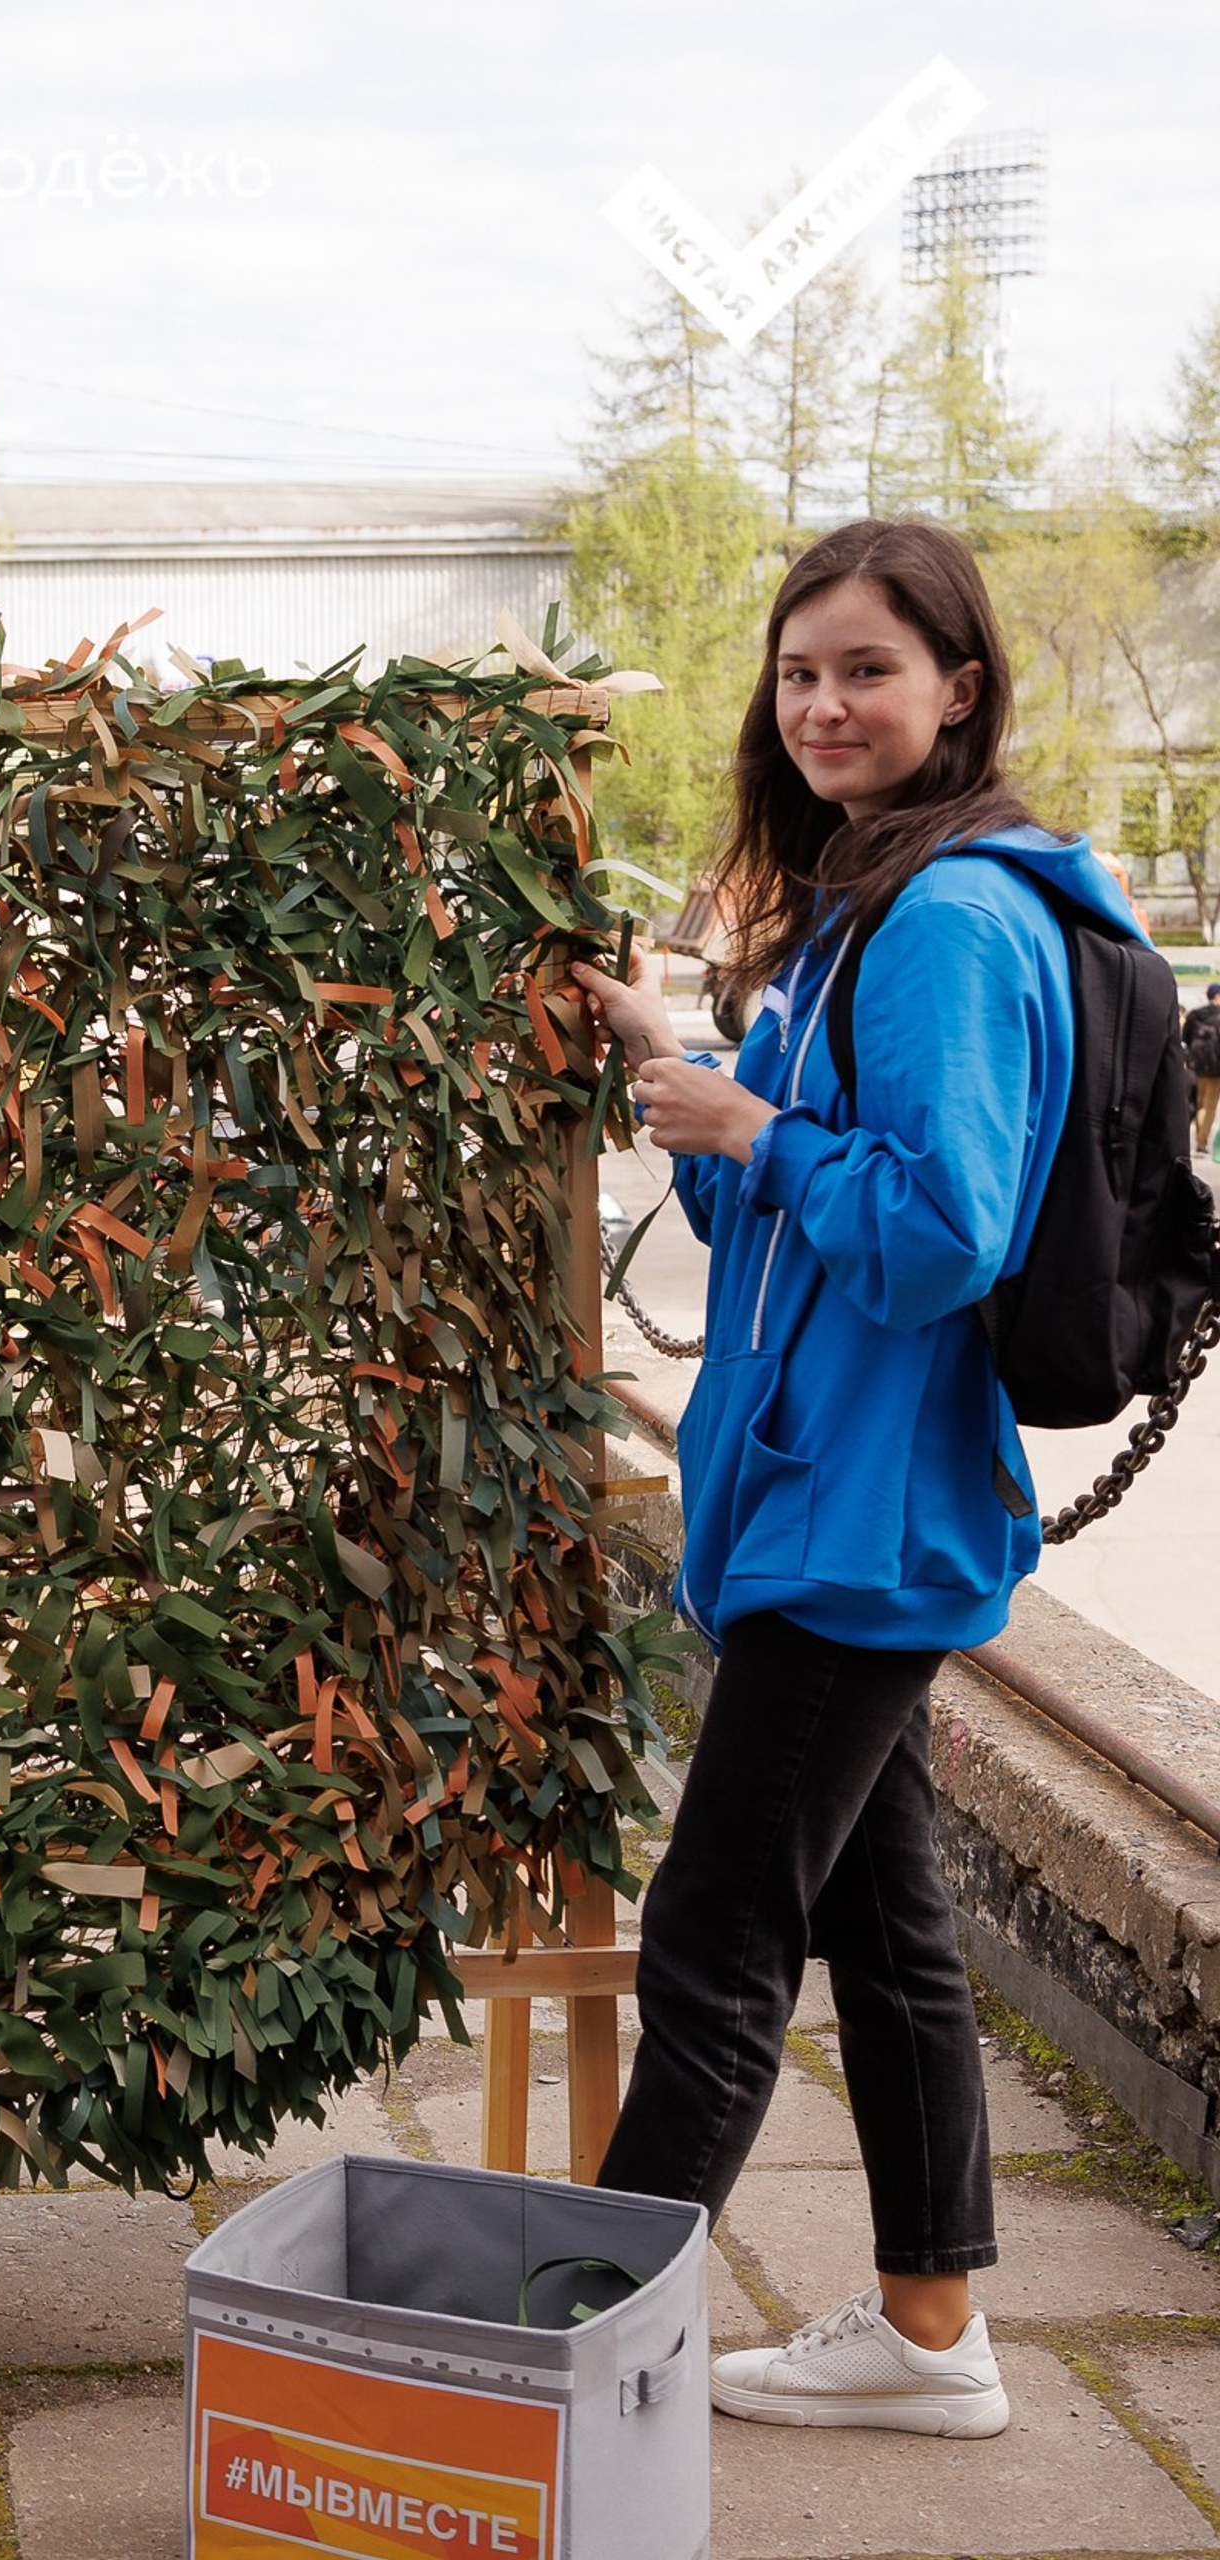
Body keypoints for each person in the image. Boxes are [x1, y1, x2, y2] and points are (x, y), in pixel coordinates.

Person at [571, 517, 1130, 2441]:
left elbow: (939, 1236)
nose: (823, 705)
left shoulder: (956, 918)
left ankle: (571, 2378)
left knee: (716, 1944)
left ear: (958, 688)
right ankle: (928, 2334)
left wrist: (755, 1123)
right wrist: (691, 1067)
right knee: (890, 1941)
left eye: (869, 670)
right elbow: (792, 1218)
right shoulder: (866, 903)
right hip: (838, 1494)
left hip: (859, 1521)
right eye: (800, 671)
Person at [1181, 980, 1220, 1153]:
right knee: (1209, 1106)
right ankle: (1202, 1142)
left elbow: (1185, 1039)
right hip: (1215, 1069)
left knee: (1196, 1103)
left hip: (1195, 1066)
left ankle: (1197, 1137)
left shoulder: (1194, 1015)